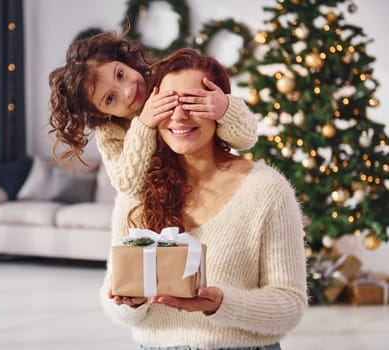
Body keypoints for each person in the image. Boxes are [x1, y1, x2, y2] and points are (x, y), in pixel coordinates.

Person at [99, 48, 308, 350]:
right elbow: (112, 297)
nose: (179, 115)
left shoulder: (267, 190)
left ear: (219, 108)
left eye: (193, 102)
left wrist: (221, 303)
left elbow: (290, 305)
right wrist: (130, 301)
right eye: (167, 103)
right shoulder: (136, 192)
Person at [48, 32, 258, 196]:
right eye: (110, 99)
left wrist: (225, 110)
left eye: (120, 74)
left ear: (125, 60)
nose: (128, 91)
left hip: (212, 184)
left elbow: (247, 138)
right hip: (165, 203)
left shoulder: (167, 79)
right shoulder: (110, 131)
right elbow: (126, 183)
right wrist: (144, 125)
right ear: (102, 114)